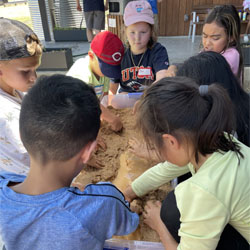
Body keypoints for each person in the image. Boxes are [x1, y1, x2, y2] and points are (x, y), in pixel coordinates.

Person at [0, 74, 139, 250]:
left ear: (22, 135)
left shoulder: (3, 184)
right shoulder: (103, 200)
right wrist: (132, 209)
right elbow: (129, 223)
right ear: (88, 152)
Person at [124, 77, 250, 250]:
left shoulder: (203, 190)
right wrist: (130, 192)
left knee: (169, 214)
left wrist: (159, 224)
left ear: (170, 141)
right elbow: (163, 171)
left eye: (155, 146)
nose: (156, 152)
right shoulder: (214, 140)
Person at [0, 17, 42, 175]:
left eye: (35, 68)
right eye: (25, 72)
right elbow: (37, 160)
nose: (34, 77)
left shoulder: (17, 87)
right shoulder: (7, 115)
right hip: (23, 182)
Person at [166, 5, 243, 82]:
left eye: (215, 38)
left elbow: (200, 70)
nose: (207, 43)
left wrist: (179, 69)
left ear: (231, 37)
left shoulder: (231, 56)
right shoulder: (207, 52)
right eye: (205, 36)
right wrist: (174, 67)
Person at [67, 31, 123, 132]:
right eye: (106, 68)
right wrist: (112, 118)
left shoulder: (102, 73)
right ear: (91, 56)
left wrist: (104, 116)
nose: (108, 73)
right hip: (70, 115)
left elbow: (103, 97)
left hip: (86, 112)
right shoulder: (81, 73)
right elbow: (88, 104)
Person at [110, 0, 169, 94]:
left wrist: (144, 99)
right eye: (132, 32)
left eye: (143, 32)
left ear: (151, 31)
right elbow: (113, 85)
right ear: (125, 30)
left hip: (150, 95)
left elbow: (161, 78)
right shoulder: (120, 53)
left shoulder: (158, 51)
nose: (137, 38)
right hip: (125, 96)